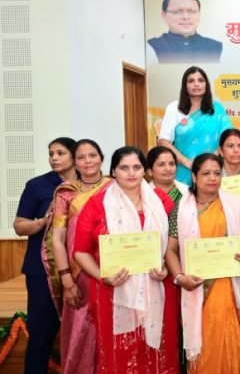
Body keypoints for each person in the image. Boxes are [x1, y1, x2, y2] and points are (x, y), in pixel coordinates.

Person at [73, 146, 180, 374]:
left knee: (160, 352)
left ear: (145, 170)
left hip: (158, 287)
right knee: (120, 352)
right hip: (113, 291)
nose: (131, 173)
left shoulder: (162, 201)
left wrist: (166, 269)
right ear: (113, 171)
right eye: (124, 168)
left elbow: (172, 244)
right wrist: (104, 276)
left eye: (136, 167)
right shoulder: (96, 204)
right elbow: (80, 252)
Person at [164, 153, 240, 373]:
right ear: (194, 177)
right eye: (206, 173)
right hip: (196, 287)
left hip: (230, 286)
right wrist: (180, 277)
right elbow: (170, 250)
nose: (212, 178)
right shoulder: (181, 209)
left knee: (231, 342)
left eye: (216, 173)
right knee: (205, 346)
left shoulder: (235, 205)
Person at [41, 139, 112, 374]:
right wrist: (67, 281)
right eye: (81, 157)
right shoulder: (66, 193)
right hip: (78, 274)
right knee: (81, 333)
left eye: (92, 155)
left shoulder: (115, 187)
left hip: (112, 272)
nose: (88, 161)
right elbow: (58, 239)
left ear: (101, 158)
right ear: (75, 162)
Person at [14, 137, 76, 374]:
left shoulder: (86, 184)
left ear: (74, 156)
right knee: (41, 332)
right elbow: (20, 226)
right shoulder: (37, 186)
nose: (54, 158)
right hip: (42, 271)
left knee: (82, 332)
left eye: (60, 153)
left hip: (80, 269)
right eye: (51, 154)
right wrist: (43, 221)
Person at [158, 66, 233, 185]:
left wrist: (207, 163)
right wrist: (188, 163)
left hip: (211, 170)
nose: (196, 84)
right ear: (185, 85)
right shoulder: (174, 108)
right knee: (180, 197)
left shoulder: (217, 109)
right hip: (182, 171)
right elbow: (163, 141)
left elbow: (228, 139)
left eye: (201, 80)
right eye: (191, 81)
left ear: (206, 84)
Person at [147, 0, 222, 63]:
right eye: (177, 12)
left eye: (192, 11)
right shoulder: (152, 46)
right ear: (164, 15)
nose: (185, 17)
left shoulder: (216, 47)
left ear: (199, 14)